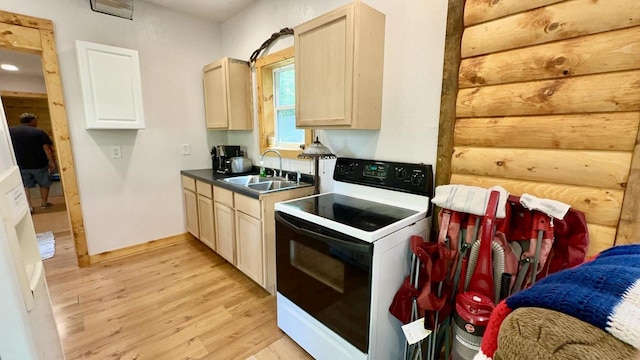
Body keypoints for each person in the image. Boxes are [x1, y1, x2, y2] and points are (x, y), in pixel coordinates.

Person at [9, 112, 56, 213]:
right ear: (32, 121)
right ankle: (44, 203)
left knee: (25, 186)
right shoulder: (38, 132)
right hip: (39, 164)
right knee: (44, 183)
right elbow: (47, 148)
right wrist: (52, 161)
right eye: (35, 120)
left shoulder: (10, 131)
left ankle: (29, 206)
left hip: (20, 164)